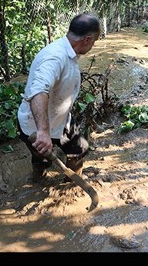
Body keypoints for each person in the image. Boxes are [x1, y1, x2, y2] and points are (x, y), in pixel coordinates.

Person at [17, 13, 101, 183]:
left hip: (60, 119)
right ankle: (38, 178)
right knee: (42, 158)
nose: (92, 46)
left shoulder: (68, 52)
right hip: (36, 126)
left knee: (80, 148)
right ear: (87, 39)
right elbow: (38, 91)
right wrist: (43, 132)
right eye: (93, 42)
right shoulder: (55, 57)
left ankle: (71, 184)